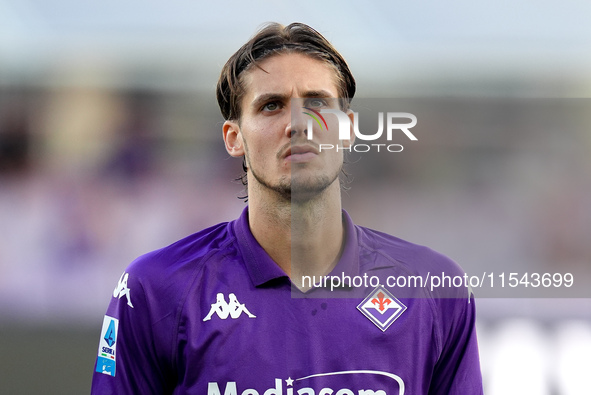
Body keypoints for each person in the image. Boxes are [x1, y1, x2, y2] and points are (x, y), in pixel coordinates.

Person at [91, 22, 483, 394]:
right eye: (271, 106)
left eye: (317, 102)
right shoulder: (156, 289)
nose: (298, 123)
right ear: (234, 138)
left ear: (347, 129)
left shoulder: (434, 290)